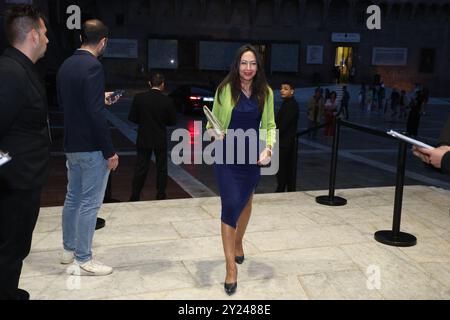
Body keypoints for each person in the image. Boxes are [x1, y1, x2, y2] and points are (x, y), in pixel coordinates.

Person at [206, 44, 276, 295]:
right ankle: (230, 269)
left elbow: (269, 124)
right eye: (244, 63)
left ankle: (238, 242)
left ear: (258, 67)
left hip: (251, 157)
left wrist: (268, 148)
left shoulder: (265, 92)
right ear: (237, 65)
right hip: (226, 156)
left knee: (246, 202)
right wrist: (215, 132)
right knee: (230, 205)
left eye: (253, 63)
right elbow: (210, 123)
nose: (248, 68)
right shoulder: (224, 90)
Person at [57, 19, 120, 276]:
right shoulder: (94, 67)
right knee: (90, 205)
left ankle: (68, 250)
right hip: (92, 147)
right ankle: (84, 258)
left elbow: (68, 103)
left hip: (71, 145)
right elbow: (95, 114)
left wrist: (100, 97)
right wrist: (110, 151)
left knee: (72, 198)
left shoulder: (66, 65)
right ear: (103, 41)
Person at [0, 4, 50, 300]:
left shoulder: (19, 68)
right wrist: (7, 166)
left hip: (21, 180)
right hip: (13, 183)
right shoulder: (10, 73)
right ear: (32, 35)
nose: (48, 39)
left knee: (16, 246)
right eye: (44, 33)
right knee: (9, 246)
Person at [128, 73, 177, 201]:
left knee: (141, 167)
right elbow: (172, 121)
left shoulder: (139, 98)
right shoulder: (167, 100)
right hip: (160, 138)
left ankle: (135, 194)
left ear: (149, 83)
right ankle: (161, 194)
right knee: (162, 168)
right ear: (162, 85)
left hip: (144, 137)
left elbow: (133, 118)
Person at [275, 82, 299, 192]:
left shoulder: (291, 105)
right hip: (284, 142)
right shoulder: (287, 103)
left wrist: (273, 135)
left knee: (283, 168)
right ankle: (283, 188)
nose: (282, 91)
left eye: (285, 89)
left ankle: (281, 189)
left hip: (285, 143)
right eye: (281, 88)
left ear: (292, 91)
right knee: (283, 168)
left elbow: (283, 125)